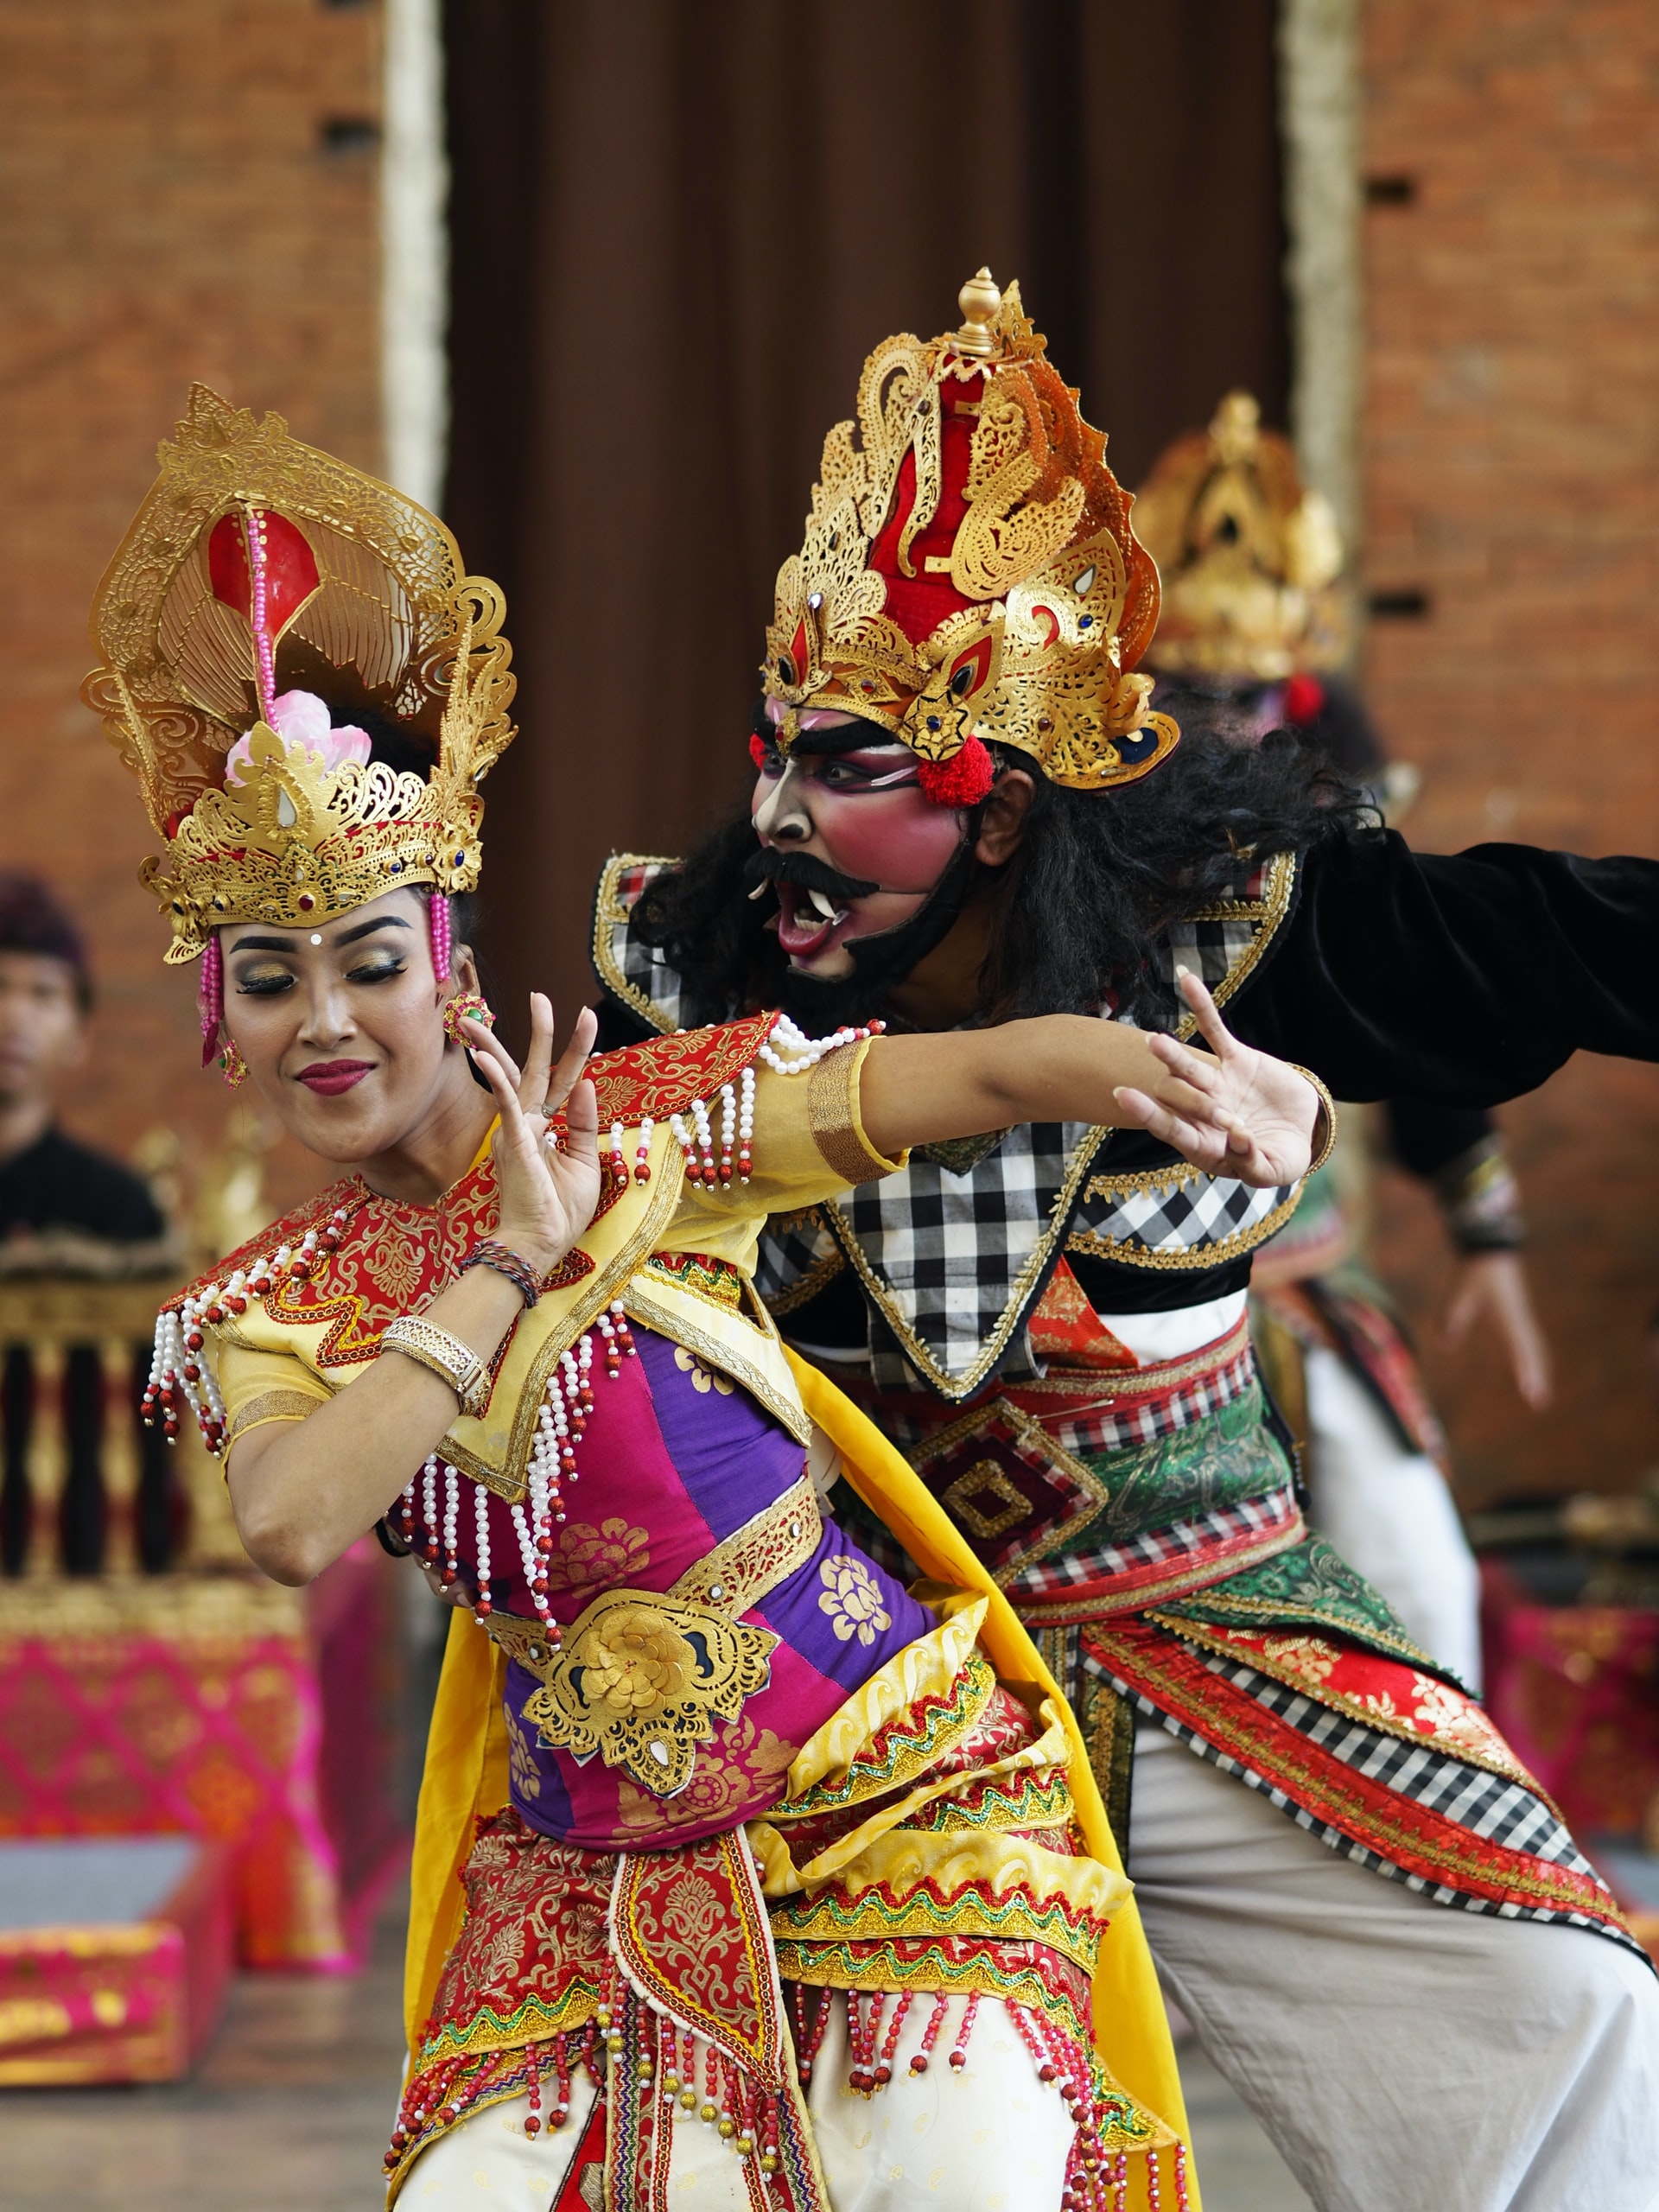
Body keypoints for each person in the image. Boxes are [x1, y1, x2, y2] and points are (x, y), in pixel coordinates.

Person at [86, 388, 1334, 2210]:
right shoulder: (271, 1305)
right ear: (219, 1019)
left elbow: (965, 1077)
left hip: (890, 1798)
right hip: (588, 1871)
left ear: (444, 968)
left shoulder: (652, 1121)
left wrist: (1172, 1075)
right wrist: (507, 1261)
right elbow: (289, 1519)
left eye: (369, 963)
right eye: (270, 982)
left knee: (967, 2168)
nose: (328, 1022)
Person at [591, 271, 1659, 2209]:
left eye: (856, 770)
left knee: (1566, 1998)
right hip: (856, 1665)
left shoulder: (1234, 928)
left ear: (1005, 815)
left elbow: (1558, 934)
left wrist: (1399, 1163)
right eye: (778, 748)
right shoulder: (687, 963)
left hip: (1209, 1623)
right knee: (927, 2153)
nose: (781, 814)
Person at [1133, 390, 1557, 1688]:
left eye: (1249, 695)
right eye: (1194, 694)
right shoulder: (1073, 835)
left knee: (1420, 1586)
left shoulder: (1324, 837)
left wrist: (1482, 1221)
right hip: (1103, 1313)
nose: (1224, 725)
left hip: (1298, 1286)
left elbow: (1410, 1002)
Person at [0, 874, 172, 1572]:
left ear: (79, 1034)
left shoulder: (119, 1210)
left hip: (81, 1552)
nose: (13, 1017)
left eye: (42, 994)